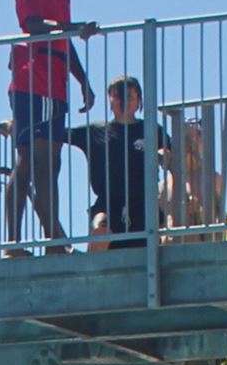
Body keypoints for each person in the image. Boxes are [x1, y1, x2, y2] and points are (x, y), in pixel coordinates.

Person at [5, 0, 98, 255]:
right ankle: (29, 241)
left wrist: (83, 81)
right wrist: (72, 28)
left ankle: (51, 238)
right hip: (33, 81)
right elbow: (33, 25)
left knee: (48, 164)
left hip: (55, 86)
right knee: (33, 162)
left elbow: (64, 40)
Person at [64, 75, 173, 250]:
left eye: (129, 96)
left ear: (139, 101)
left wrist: (163, 156)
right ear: (110, 100)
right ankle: (94, 274)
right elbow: (56, 133)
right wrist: (20, 127)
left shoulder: (151, 130)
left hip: (145, 204)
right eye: (117, 95)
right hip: (109, 203)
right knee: (100, 227)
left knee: (160, 237)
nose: (123, 100)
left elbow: (174, 156)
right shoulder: (95, 131)